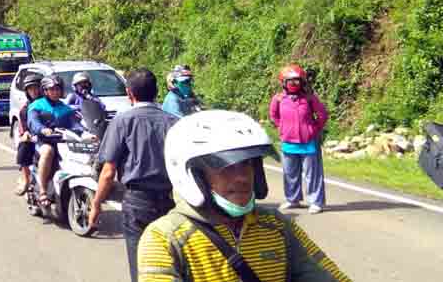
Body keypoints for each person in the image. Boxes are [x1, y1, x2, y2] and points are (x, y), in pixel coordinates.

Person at [137, 110, 351, 282]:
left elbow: (328, 275)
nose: (242, 178)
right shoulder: (165, 238)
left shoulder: (276, 226)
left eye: (247, 164)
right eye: (225, 167)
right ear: (193, 174)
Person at [88, 68, 177, 282]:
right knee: (170, 262)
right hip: (170, 202)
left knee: (141, 265)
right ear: (156, 92)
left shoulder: (123, 121)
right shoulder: (172, 122)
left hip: (138, 204)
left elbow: (108, 172)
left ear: (129, 93)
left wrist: (96, 204)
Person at [270, 64, 329, 214]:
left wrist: (313, 129)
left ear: (302, 82)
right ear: (283, 83)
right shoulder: (278, 99)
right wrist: (283, 128)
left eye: (297, 81)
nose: (294, 84)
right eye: (290, 81)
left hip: (308, 142)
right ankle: (292, 199)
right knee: (290, 173)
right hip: (288, 142)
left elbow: (322, 115)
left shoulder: (309, 98)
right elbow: (274, 116)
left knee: (312, 174)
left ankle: (316, 202)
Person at [27, 74, 87, 207]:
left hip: (62, 142)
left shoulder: (65, 108)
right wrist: (43, 129)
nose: (55, 92)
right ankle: (42, 190)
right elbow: (33, 122)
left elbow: (75, 124)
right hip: (43, 141)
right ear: (45, 91)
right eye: (52, 89)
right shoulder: (37, 105)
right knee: (48, 151)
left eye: (58, 89)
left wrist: (86, 134)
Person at [14, 72, 43, 195]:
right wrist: (26, 133)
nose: (34, 91)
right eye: (31, 89)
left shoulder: (51, 102)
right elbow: (24, 127)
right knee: (24, 146)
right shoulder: (25, 109)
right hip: (35, 138)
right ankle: (26, 179)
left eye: (36, 88)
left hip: (54, 137)